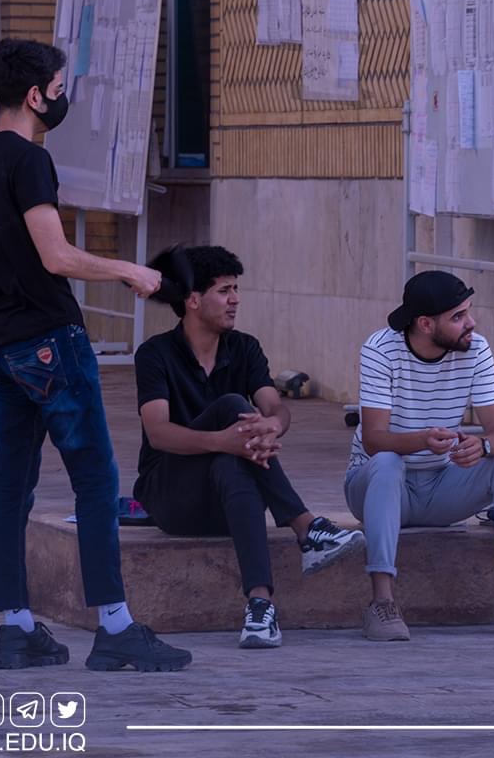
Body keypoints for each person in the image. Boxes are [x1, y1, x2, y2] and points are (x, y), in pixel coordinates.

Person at [0, 38, 189, 672]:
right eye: (58, 90)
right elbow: (56, 257)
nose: (61, 100)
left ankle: (17, 629)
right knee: (95, 480)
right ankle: (115, 626)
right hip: (52, 341)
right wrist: (128, 270)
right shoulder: (30, 161)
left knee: (11, 485)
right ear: (35, 96)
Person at [131, 245, 364, 649]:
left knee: (233, 463)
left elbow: (275, 407)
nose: (235, 299)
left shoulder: (245, 347)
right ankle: (306, 527)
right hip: (172, 497)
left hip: (229, 499)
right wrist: (223, 440)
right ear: (192, 300)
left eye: (236, 289)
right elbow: (159, 434)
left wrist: (273, 425)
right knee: (232, 408)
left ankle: (260, 607)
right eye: (224, 290)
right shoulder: (155, 354)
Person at [344, 271, 494, 640]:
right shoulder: (380, 349)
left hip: (441, 486)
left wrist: (482, 446)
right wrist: (422, 439)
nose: (471, 323)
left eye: (468, 311)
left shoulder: (476, 349)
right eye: (458, 316)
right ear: (425, 324)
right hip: (378, 486)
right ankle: (382, 603)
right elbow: (373, 441)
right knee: (387, 462)